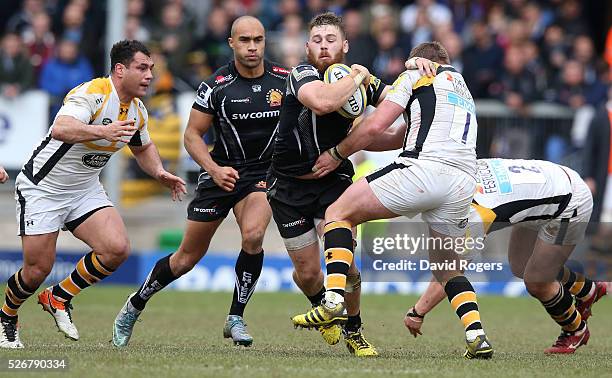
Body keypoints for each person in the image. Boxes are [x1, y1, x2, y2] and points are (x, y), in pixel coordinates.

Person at [293, 41, 491, 359]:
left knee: (337, 213)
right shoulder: (461, 87)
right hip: (463, 183)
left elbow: (375, 125)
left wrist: (337, 153)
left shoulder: (415, 75)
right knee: (448, 267)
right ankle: (476, 334)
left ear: (418, 61)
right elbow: (398, 131)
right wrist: (363, 98)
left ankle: (332, 300)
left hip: (425, 169)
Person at [112, 16, 289, 348]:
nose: (253, 47)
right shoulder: (216, 85)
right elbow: (192, 135)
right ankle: (134, 306)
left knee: (253, 235)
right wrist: (213, 168)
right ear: (232, 43)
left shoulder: (284, 80)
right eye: (245, 40)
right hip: (220, 172)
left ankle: (236, 316)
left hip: (261, 176)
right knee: (185, 259)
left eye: (259, 40)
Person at [0, 40, 187, 349]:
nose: (149, 75)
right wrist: (103, 131)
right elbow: (61, 128)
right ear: (120, 69)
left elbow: (143, 146)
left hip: (84, 189)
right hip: (43, 188)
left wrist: (159, 172)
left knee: (116, 249)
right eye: (142, 68)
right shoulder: (92, 93)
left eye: (151, 69)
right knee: (36, 270)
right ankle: (7, 316)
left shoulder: (138, 110)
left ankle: (58, 297)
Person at [267, 12, 431, 357]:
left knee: (348, 267)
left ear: (345, 45)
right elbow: (324, 101)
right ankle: (326, 311)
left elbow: (402, 104)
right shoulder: (302, 74)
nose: (323, 46)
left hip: (334, 179)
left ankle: (354, 331)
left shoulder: (361, 81)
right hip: (288, 185)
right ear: (307, 46)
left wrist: (416, 68)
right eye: (317, 40)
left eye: (331, 40)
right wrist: (358, 75)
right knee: (309, 274)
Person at [404, 158, 606, 354]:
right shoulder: (458, 169)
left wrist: (418, 311)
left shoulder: (473, 215)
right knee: (521, 265)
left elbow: (449, 273)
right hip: (554, 180)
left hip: (570, 203)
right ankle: (588, 290)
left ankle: (576, 330)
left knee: (537, 281)